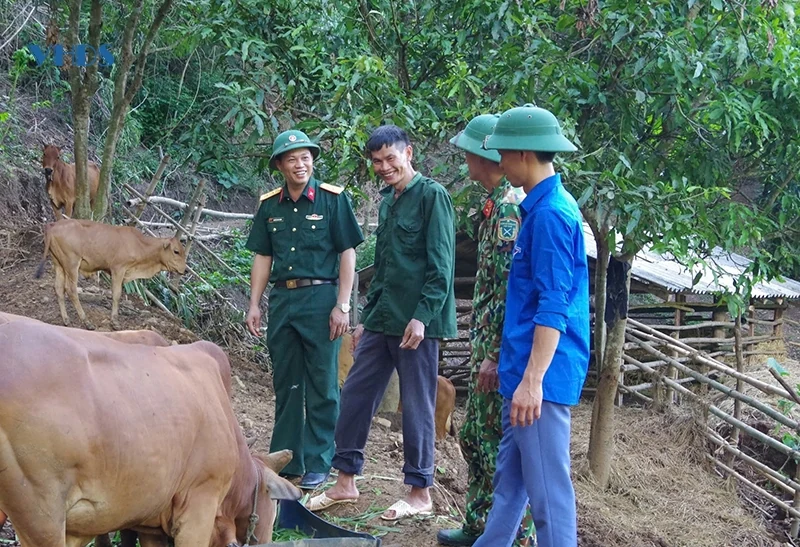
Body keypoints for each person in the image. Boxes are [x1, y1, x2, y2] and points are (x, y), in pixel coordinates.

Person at [305, 124, 457, 521]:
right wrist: (366, 320)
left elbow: (442, 267)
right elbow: (385, 268)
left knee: (417, 405)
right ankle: (345, 481)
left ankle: (420, 490)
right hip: (382, 320)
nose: (385, 167)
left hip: (417, 325)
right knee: (355, 395)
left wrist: (422, 317)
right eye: (377, 161)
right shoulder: (390, 200)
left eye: (391, 158)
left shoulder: (432, 196)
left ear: (409, 153)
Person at [472, 104, 590, 547]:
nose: (499, 164)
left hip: (540, 377)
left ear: (524, 153)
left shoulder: (551, 215)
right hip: (522, 371)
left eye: (502, 154)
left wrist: (533, 381)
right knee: (511, 484)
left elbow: (553, 306)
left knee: (548, 496)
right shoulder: (538, 209)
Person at [245, 129, 364, 490]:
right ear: (279, 165)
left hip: (321, 300)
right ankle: (285, 456)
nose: (301, 164)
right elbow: (263, 256)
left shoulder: (332, 200)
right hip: (283, 301)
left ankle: (318, 460)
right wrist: (254, 303)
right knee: (286, 381)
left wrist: (342, 306)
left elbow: (348, 253)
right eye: (292, 159)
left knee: (323, 382)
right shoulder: (269, 206)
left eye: (306, 157)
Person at [436, 114, 534, 547]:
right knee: (476, 438)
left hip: (499, 353)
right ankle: (479, 524)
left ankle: (518, 535)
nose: (464, 160)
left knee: (500, 448)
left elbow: (513, 291)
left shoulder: (511, 207)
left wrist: (495, 353)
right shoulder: (493, 205)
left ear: (485, 156)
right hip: (484, 349)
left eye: (468, 152)